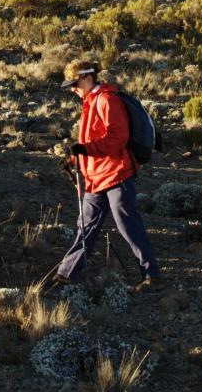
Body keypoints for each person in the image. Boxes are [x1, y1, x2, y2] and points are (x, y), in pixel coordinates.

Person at [51, 57, 161, 291]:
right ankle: (67, 273)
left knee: (127, 225)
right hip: (95, 177)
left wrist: (85, 150)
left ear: (88, 78)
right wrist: (73, 159)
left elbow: (116, 138)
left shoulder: (106, 100)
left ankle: (152, 275)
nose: (73, 90)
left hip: (116, 174)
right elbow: (90, 140)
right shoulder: (91, 102)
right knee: (86, 225)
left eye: (75, 84)